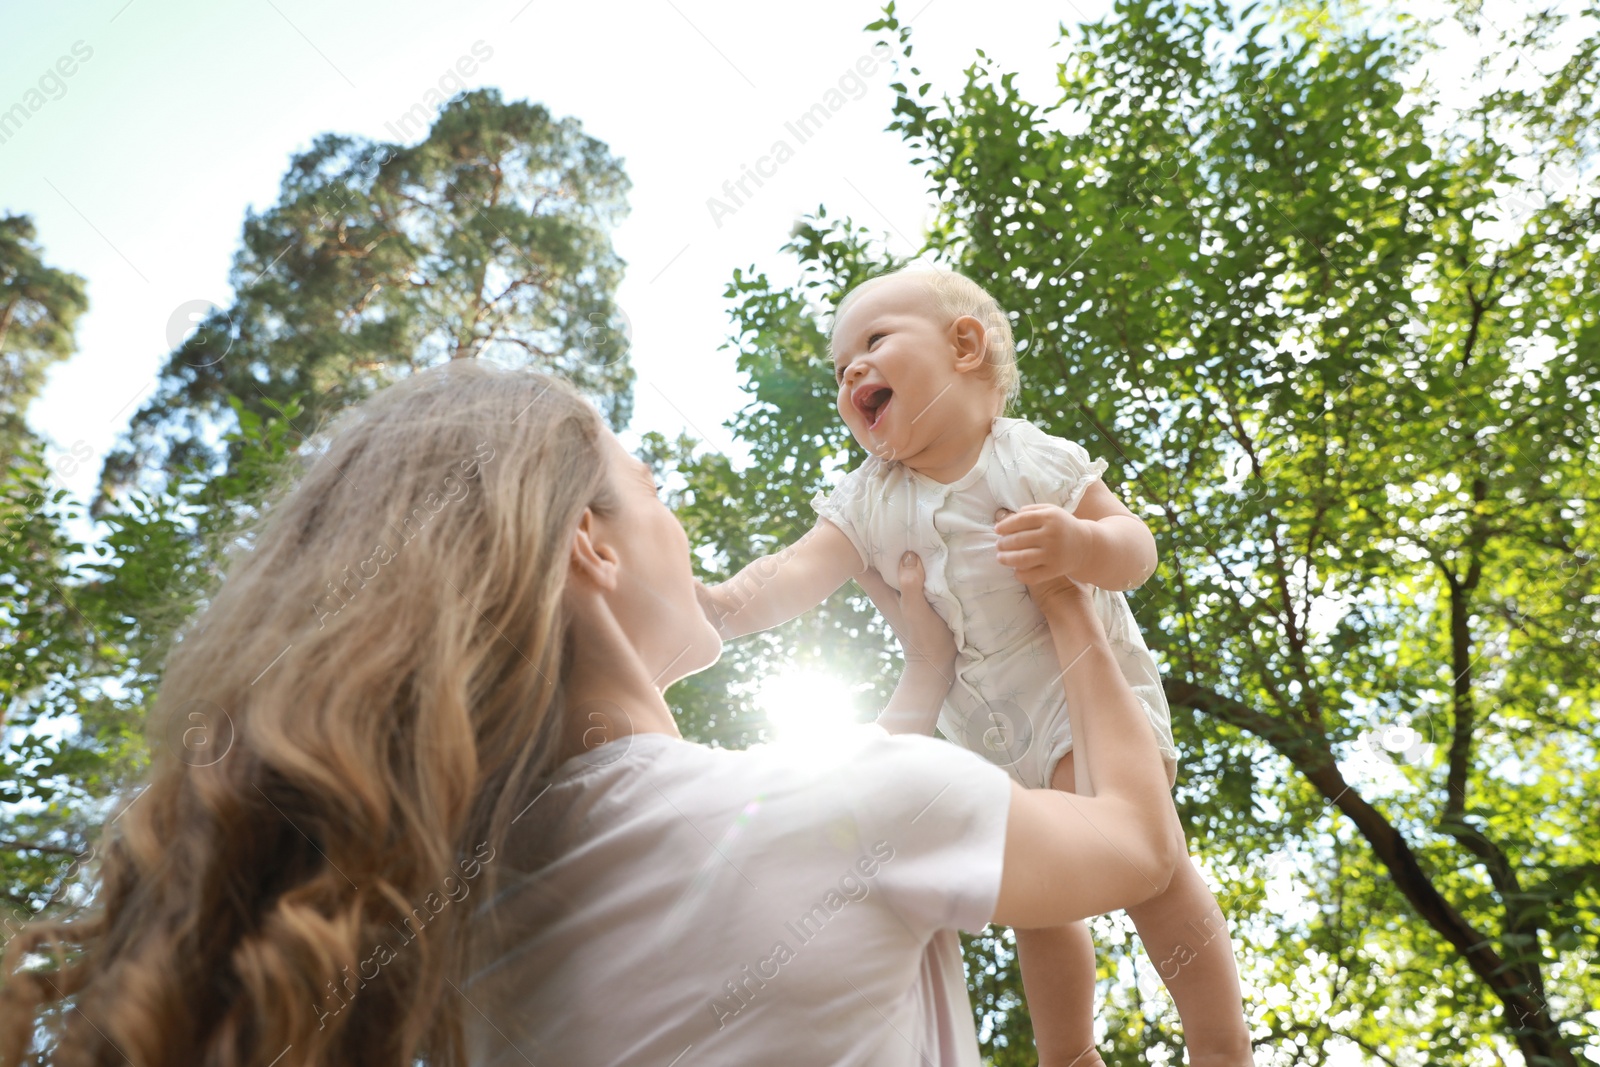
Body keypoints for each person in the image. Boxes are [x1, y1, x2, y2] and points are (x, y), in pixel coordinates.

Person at [0, 361, 1181, 1066]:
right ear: (588, 543)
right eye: (651, 487)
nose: (679, 525)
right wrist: (1063, 605)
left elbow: (817, 840)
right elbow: (1136, 840)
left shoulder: (444, 938)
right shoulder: (851, 813)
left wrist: (924, 668)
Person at [696, 268, 1253, 1066]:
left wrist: (1079, 543)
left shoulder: (1029, 458)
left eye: (874, 341)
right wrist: (725, 605)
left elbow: (1137, 549)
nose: (851, 369)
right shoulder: (868, 499)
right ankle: (1067, 1053)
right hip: (982, 732)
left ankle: (1221, 1046)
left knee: (1152, 868)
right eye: (838, 366)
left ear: (963, 345)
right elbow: (794, 570)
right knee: (1039, 896)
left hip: (1082, 702)